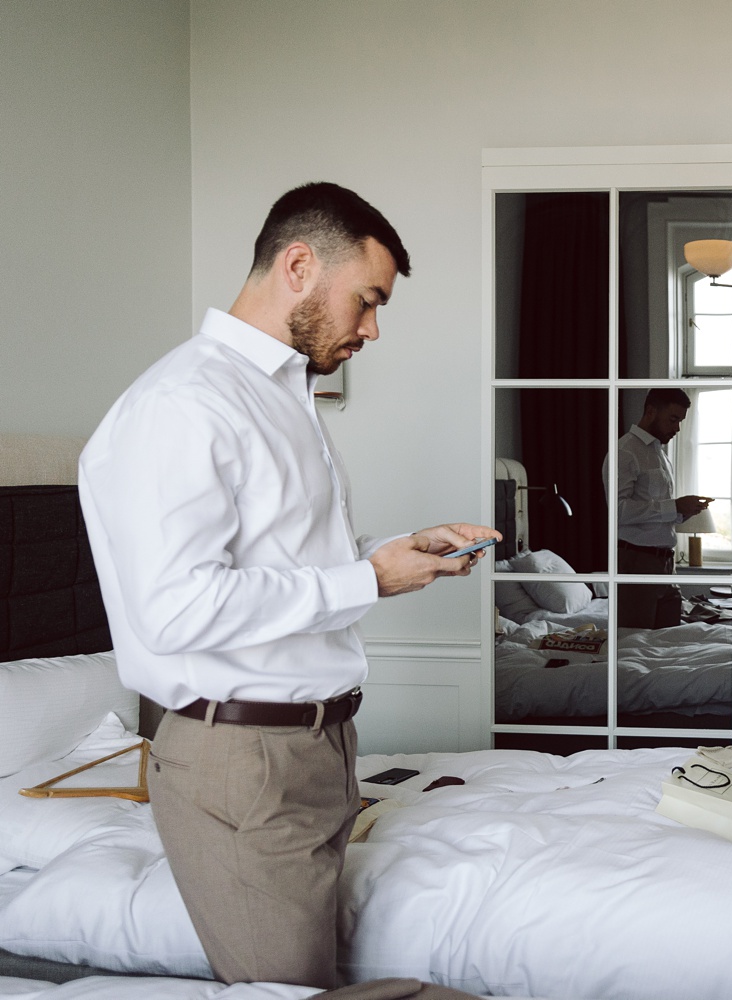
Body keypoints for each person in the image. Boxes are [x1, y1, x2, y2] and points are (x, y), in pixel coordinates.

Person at [78, 182, 501, 994]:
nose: (373, 328)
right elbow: (176, 608)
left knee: (315, 972)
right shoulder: (184, 403)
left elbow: (285, 560)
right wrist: (365, 578)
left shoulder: (281, 395)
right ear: (299, 265)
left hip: (316, 751)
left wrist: (389, 552)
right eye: (367, 301)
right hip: (243, 760)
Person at [610, 387, 711, 628]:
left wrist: (682, 512)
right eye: (673, 419)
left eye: (680, 421)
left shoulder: (660, 456)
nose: (677, 428)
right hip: (636, 562)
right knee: (635, 643)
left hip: (666, 563)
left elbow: (656, 514)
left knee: (667, 640)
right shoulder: (624, 452)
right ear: (651, 411)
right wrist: (673, 505)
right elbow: (618, 511)